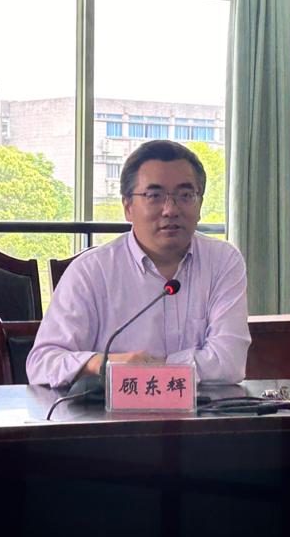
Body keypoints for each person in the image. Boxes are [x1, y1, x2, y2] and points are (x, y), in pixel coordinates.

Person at [26, 140, 251, 388]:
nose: (170, 210)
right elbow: (42, 363)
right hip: (110, 412)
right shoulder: (91, 271)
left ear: (200, 206)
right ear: (128, 207)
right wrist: (104, 364)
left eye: (185, 195)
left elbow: (229, 362)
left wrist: (149, 370)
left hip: (203, 410)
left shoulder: (223, 262)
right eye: (154, 196)